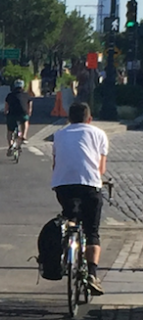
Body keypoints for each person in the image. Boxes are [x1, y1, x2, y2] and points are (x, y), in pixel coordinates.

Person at [51, 102, 109, 294]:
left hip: (63, 186)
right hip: (90, 186)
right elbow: (101, 169)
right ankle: (92, 274)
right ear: (89, 119)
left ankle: (67, 247)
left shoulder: (59, 135)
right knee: (92, 231)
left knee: (70, 218)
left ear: (69, 118)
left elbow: (56, 163)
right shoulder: (99, 134)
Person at [4, 79, 33, 154]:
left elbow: (6, 105)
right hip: (23, 113)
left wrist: (6, 111)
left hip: (12, 114)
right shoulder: (26, 95)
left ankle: (10, 145)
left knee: (10, 131)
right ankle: (24, 136)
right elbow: (30, 103)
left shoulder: (10, 95)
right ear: (22, 87)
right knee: (25, 122)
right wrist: (29, 111)